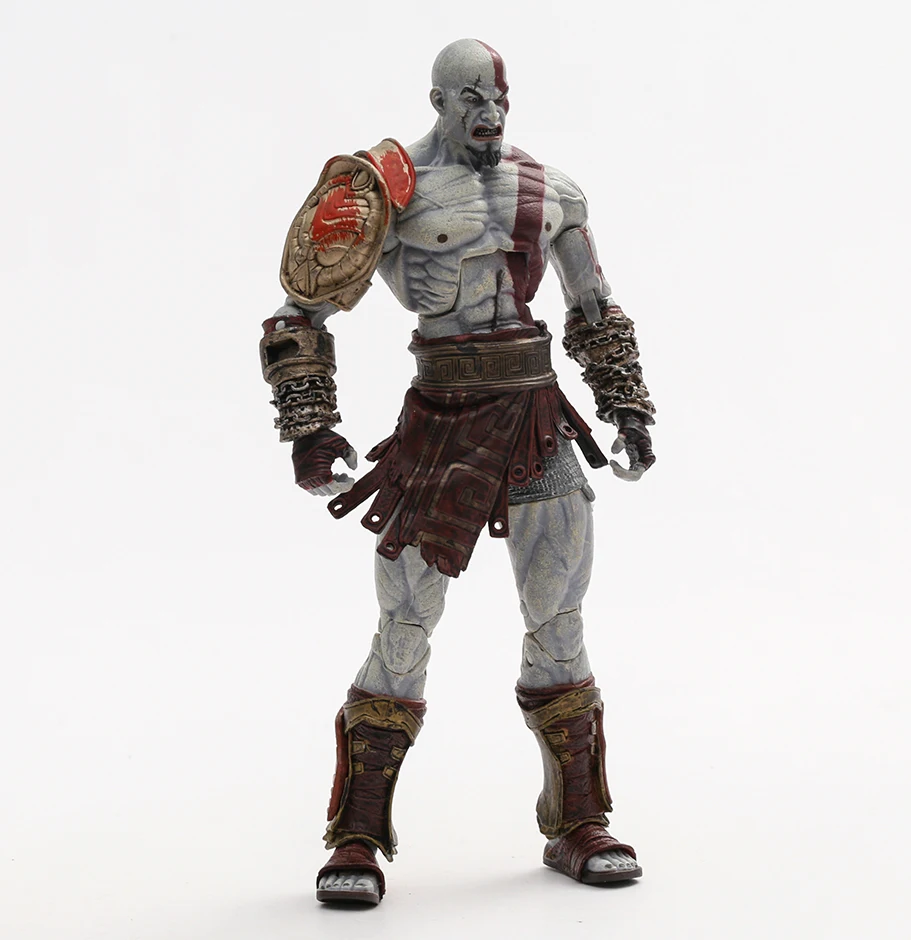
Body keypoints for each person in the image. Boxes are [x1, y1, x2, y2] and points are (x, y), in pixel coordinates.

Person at [260, 38, 656, 906]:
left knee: (559, 613)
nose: (489, 112)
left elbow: (593, 306)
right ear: (438, 101)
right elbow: (299, 311)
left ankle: (579, 820)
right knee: (406, 622)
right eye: (471, 97)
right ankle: (358, 832)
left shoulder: (551, 191)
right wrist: (311, 429)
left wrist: (627, 404)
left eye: (498, 98)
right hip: (439, 424)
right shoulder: (385, 191)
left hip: (537, 419)